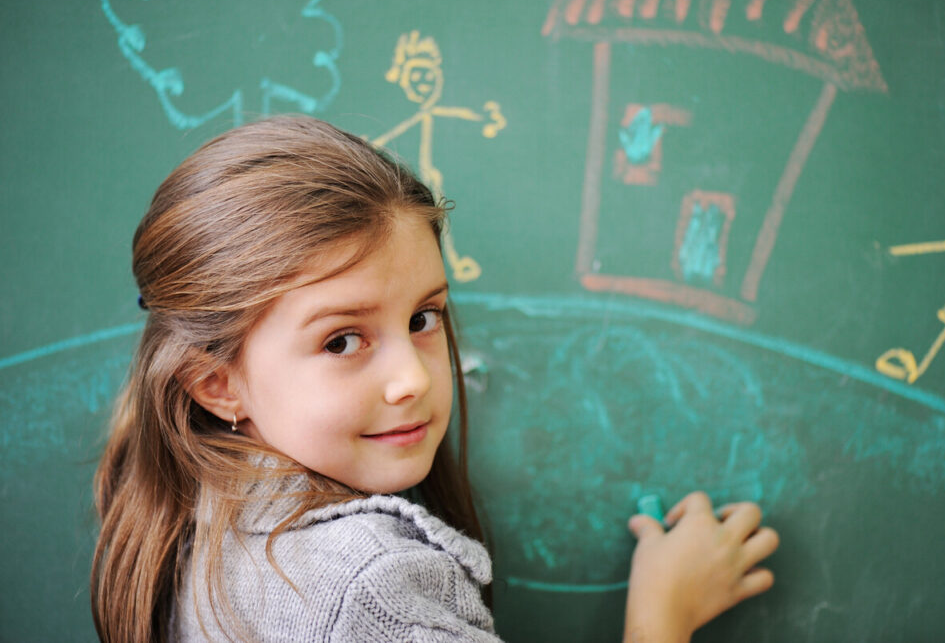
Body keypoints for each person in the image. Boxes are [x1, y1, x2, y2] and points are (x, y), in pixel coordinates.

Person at [90, 115, 778, 643]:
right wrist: (664, 612)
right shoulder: (374, 588)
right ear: (218, 386)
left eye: (424, 317)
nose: (411, 379)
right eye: (342, 340)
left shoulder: (201, 513)